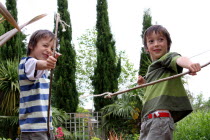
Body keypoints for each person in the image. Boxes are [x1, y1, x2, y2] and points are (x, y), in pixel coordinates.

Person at [137, 25, 201, 140]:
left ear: (168, 44)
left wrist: (190, 65)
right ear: (147, 48)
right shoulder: (153, 70)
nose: (156, 44)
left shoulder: (167, 57)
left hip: (159, 119)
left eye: (160, 40)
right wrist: (144, 83)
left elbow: (179, 59)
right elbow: (155, 89)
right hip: (147, 121)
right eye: (151, 41)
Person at [18, 30, 61, 140]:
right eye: (45, 45)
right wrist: (47, 64)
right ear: (31, 45)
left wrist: (47, 65)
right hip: (33, 128)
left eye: (52, 48)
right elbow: (37, 64)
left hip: (45, 127)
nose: (49, 50)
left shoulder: (43, 72)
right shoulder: (26, 63)